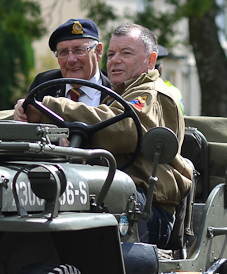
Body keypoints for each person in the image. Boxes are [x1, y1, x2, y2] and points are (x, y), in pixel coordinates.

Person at [20, 23, 192, 248]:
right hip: (126, 198)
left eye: (126, 53)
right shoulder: (120, 93)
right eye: (111, 54)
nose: (115, 60)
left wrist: (51, 108)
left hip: (146, 209)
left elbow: (124, 130)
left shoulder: (150, 93)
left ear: (151, 60)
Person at [13, 18, 110, 121]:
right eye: (63, 52)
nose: (71, 60)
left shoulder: (116, 90)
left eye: (79, 50)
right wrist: (21, 113)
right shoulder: (44, 86)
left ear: (98, 51)